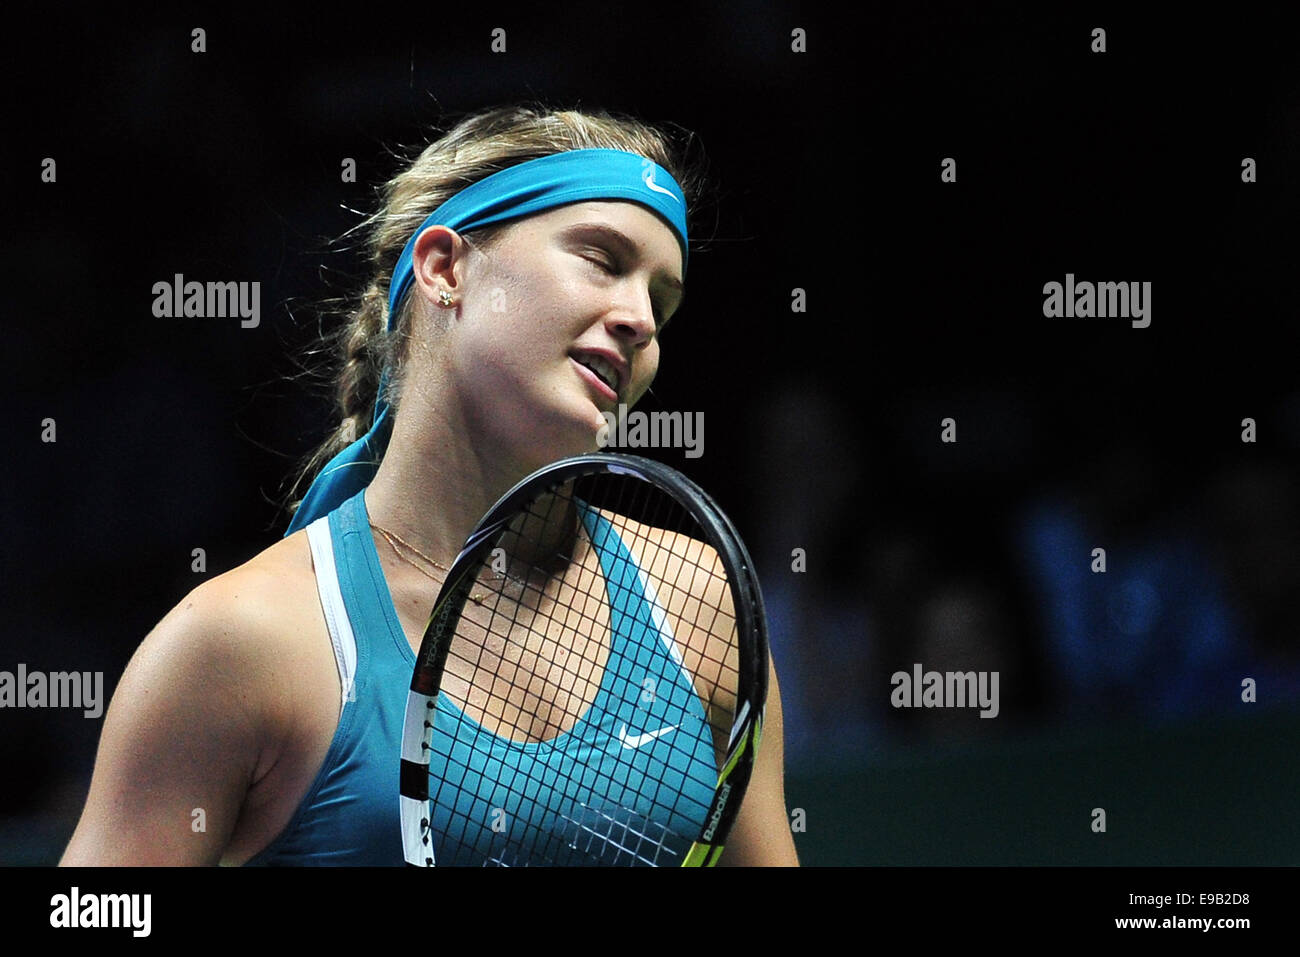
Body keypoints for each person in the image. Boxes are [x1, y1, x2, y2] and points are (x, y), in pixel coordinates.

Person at [60, 104, 799, 866]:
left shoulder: (702, 603)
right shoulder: (245, 641)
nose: (641, 320)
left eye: (662, 302)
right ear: (446, 269)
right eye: (603, 261)